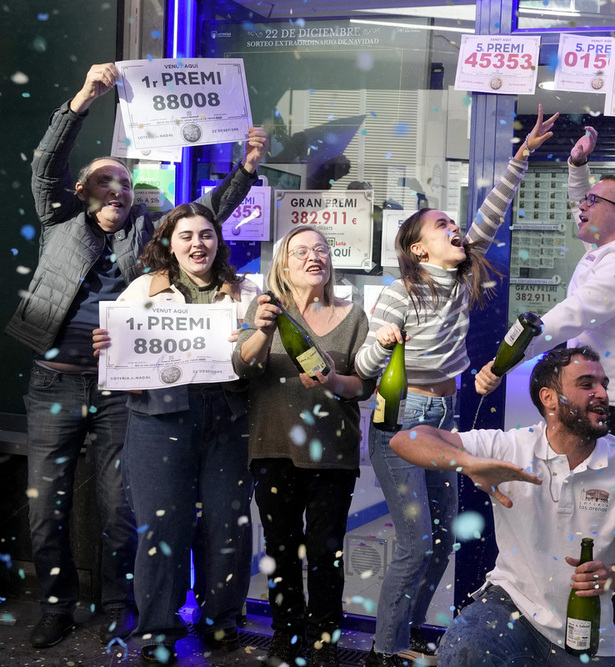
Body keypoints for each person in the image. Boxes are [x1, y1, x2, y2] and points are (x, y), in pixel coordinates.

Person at [7, 62, 266, 650]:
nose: (119, 191)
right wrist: (83, 100)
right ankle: (54, 607)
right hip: (52, 384)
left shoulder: (144, 233)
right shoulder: (59, 219)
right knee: (48, 506)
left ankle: (121, 606)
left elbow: (206, 213)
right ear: (81, 191)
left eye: (126, 184)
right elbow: (45, 165)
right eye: (106, 181)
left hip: (119, 388)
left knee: (120, 506)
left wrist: (247, 169)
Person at [356, 105, 557, 667]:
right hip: (401, 412)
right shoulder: (401, 292)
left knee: (444, 538)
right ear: (418, 248)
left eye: (453, 224)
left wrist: (520, 157)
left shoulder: (460, 279)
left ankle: (408, 633)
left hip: (447, 412)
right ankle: (384, 649)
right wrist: (384, 341)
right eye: (441, 225)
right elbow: (370, 366)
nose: (454, 229)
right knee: (418, 541)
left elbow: (488, 219)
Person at [474, 126, 615, 666]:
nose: (581, 207)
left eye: (595, 203)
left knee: (596, 534)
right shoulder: (607, 247)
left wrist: (502, 361)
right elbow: (587, 209)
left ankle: (613, 640)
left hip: (612, 406)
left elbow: (565, 319)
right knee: (591, 532)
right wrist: (579, 168)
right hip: (599, 400)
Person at [390, 346, 615, 666]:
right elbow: (406, 440)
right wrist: (468, 463)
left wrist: (612, 575)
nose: (603, 393)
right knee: (463, 647)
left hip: (588, 633)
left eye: (604, 383)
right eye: (587, 384)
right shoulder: (511, 447)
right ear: (549, 398)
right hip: (510, 607)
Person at [93, 203, 260, 664]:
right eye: (186, 236)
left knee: (228, 525)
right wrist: (108, 346)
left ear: (218, 241)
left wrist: (257, 333)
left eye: (206, 235)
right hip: (158, 417)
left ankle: (221, 621)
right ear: (169, 242)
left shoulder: (245, 291)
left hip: (228, 416)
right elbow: (121, 355)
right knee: (162, 527)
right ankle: (159, 630)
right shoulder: (143, 290)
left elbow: (262, 359)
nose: (197, 244)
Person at [234, 227, 375, 667]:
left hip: (331, 452)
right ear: (284, 264)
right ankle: (286, 632)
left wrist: (333, 380)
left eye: (321, 249)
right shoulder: (263, 312)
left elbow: (363, 387)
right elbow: (242, 366)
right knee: (280, 548)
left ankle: (324, 637)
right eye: (302, 251)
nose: (314, 256)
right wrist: (260, 329)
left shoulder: (354, 317)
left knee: (324, 551)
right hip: (272, 447)